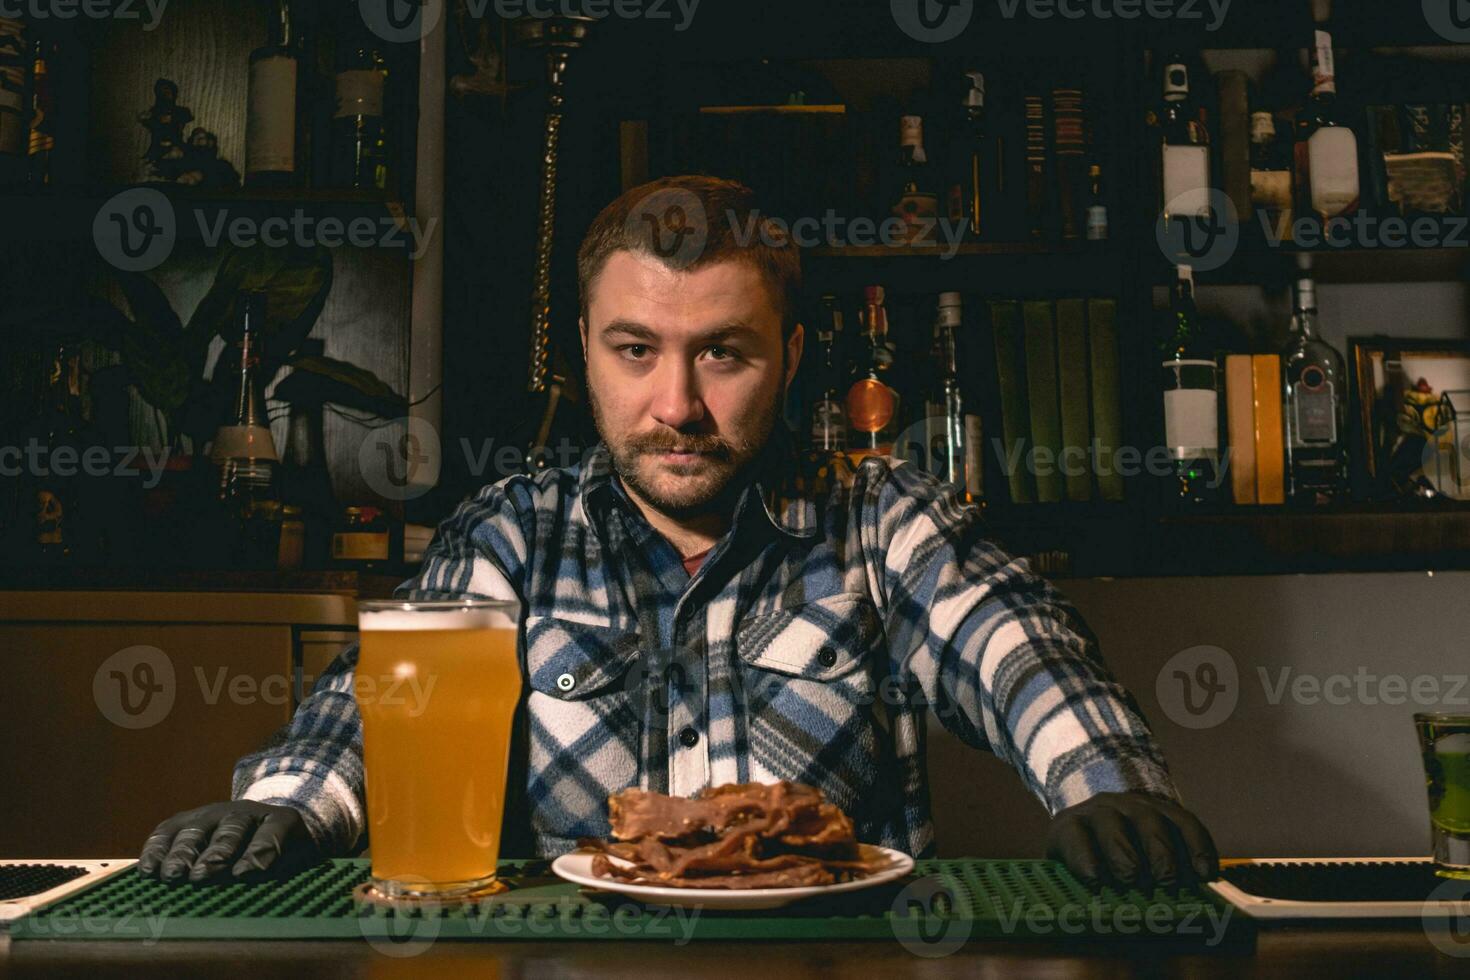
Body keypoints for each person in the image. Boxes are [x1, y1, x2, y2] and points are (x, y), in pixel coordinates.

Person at [138, 176, 1218, 891]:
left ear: (792, 360)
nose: (678, 405)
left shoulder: (883, 523)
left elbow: (1019, 647)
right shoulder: (512, 533)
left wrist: (1108, 786)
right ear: (586, 357)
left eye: (724, 354)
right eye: (636, 350)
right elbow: (380, 704)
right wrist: (287, 808)